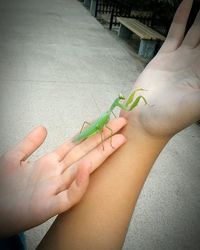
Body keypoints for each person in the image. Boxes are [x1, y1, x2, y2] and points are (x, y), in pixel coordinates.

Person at [0, 0, 200, 249]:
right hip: (95, 128)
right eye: (120, 99)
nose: (121, 100)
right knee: (98, 129)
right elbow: (105, 127)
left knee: (102, 128)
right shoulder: (110, 114)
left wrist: (141, 131)